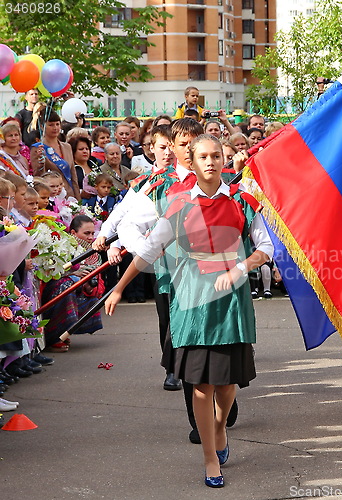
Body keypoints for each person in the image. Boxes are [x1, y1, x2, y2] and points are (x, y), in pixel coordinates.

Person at [106, 134, 273, 488]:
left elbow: (265, 248)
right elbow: (151, 249)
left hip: (231, 301)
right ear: (192, 162)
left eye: (216, 156)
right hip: (191, 300)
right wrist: (119, 288)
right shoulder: (178, 203)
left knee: (228, 384)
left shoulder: (244, 201)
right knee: (200, 384)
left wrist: (238, 270)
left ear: (224, 160)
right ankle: (210, 456)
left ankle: (218, 428)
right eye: (203, 156)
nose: (210, 162)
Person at [42, 215, 104, 351]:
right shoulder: (62, 245)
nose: (90, 237)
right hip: (49, 289)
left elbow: (98, 285)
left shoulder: (92, 253)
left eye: (93, 233)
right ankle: (53, 336)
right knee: (67, 285)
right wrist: (71, 273)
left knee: (90, 298)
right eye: (86, 233)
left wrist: (88, 285)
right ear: (73, 233)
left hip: (76, 290)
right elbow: (52, 270)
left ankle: (62, 332)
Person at [36, 111, 80, 201]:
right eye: (51, 125)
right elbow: (38, 176)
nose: (55, 128)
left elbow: (73, 176)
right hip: (51, 198)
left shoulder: (67, 147)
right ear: (42, 126)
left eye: (57, 124)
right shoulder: (38, 148)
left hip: (70, 196)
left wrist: (78, 200)